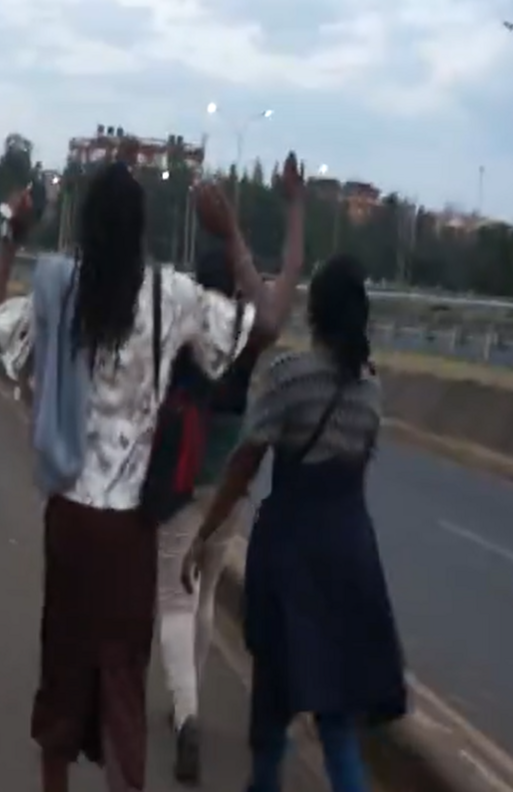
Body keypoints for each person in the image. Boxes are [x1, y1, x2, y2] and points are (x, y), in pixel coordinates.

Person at [0, 163, 302, 792]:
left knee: (63, 669)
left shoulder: (56, 288)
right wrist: (232, 235)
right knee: (123, 676)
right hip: (131, 527)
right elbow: (264, 325)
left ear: (86, 227)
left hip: (69, 517)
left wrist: (11, 238)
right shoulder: (169, 295)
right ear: (142, 230)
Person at [181, 253, 407, 792]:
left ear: (316, 313)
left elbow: (243, 464)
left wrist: (206, 531)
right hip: (353, 556)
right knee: (337, 719)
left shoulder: (289, 377)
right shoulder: (371, 391)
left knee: (273, 699)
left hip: (292, 557)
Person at [155, 154, 305, 786]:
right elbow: (283, 288)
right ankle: (189, 704)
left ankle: (186, 715)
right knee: (207, 591)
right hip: (229, 488)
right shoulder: (252, 332)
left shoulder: (184, 326)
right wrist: (292, 210)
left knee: (171, 596)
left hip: (182, 481)